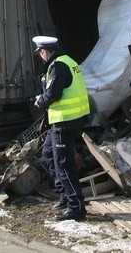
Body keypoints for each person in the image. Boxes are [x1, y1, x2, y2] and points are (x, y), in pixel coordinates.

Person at [33, 35, 90, 221]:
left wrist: (39, 101)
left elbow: (53, 94)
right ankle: (65, 195)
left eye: (40, 52)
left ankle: (76, 208)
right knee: (48, 154)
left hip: (64, 122)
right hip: (67, 120)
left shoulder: (58, 65)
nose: (41, 56)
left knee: (64, 165)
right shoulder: (68, 61)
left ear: (45, 51)